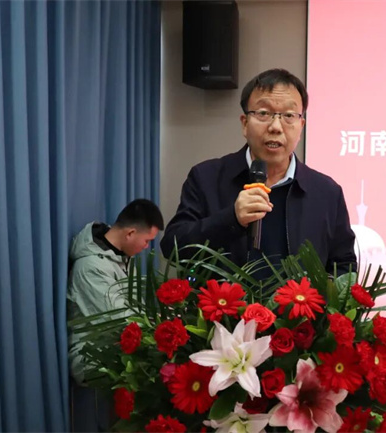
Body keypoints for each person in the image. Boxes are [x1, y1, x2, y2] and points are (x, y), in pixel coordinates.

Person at [160, 68, 356, 277]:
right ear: (245, 124)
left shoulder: (327, 193)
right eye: (263, 113)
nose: (276, 127)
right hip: (224, 300)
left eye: (289, 116)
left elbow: (344, 267)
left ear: (301, 126)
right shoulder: (206, 177)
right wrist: (231, 219)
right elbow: (173, 249)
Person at [67, 198, 164, 384]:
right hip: (91, 354)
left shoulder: (123, 258)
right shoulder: (90, 267)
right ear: (130, 233)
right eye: (147, 241)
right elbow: (117, 321)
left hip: (117, 343)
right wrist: (160, 324)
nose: (146, 247)